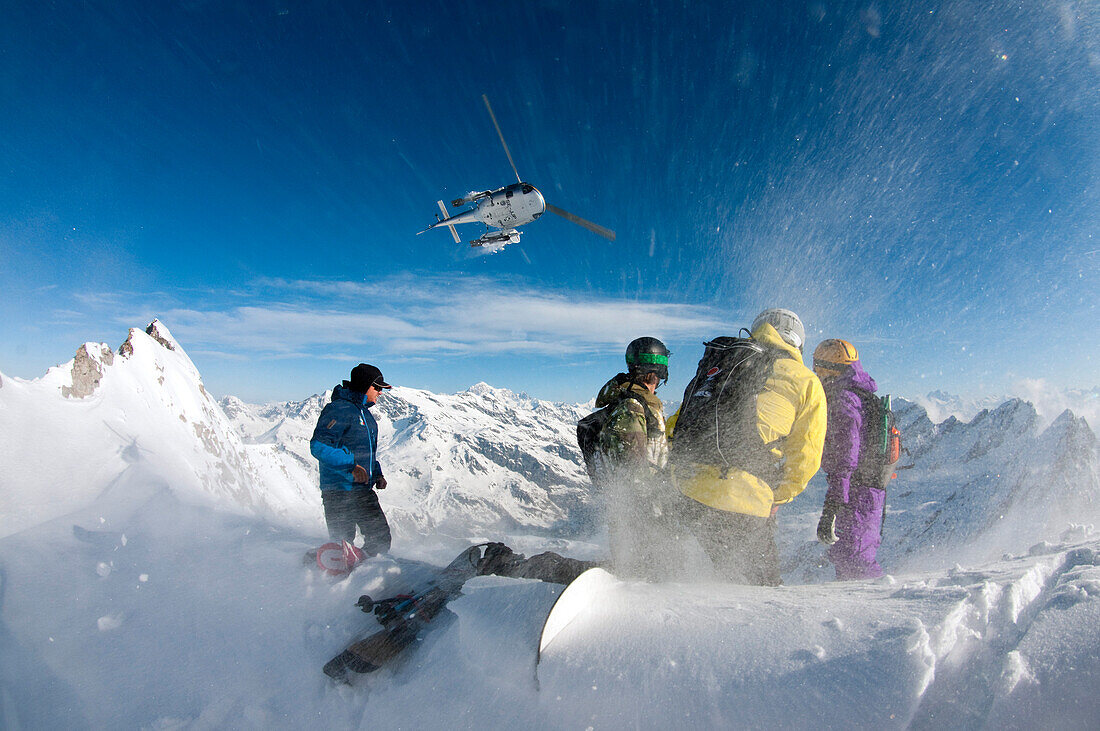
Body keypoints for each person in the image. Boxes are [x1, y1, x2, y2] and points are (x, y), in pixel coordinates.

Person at [667, 308, 827, 586]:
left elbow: (675, 424)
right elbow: (806, 455)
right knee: (763, 593)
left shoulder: (724, 364)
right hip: (745, 502)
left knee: (713, 576)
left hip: (687, 494)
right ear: (798, 340)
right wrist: (780, 495)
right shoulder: (805, 380)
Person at [591, 337, 671, 577]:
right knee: (639, 575)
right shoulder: (633, 407)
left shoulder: (638, 404)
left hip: (640, 510)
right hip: (640, 513)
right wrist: (651, 513)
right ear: (654, 373)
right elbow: (633, 469)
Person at [813, 339, 886, 580]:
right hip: (864, 490)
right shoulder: (858, 393)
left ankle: (875, 611)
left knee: (854, 561)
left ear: (827, 368)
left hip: (856, 492)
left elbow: (845, 458)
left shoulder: (843, 400)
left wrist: (833, 505)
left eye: (817, 368)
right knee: (849, 556)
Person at [310, 363, 393, 556]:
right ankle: (324, 573)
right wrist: (351, 466)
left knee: (380, 539)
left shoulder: (364, 413)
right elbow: (319, 446)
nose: (381, 392)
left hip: (362, 490)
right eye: (378, 387)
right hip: (339, 490)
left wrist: (377, 474)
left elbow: (366, 452)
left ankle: (362, 572)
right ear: (366, 385)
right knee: (341, 543)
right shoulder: (339, 410)